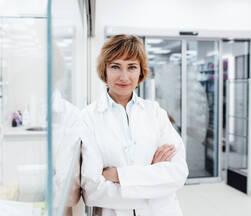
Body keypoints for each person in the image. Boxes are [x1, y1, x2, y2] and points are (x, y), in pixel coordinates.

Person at [80, 35, 189, 216]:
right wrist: (153, 178)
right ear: (104, 70)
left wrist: (118, 176)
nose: (124, 77)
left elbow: (178, 173)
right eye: (115, 67)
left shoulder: (155, 113)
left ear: (140, 72)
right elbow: (92, 191)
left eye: (131, 67)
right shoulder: (88, 117)